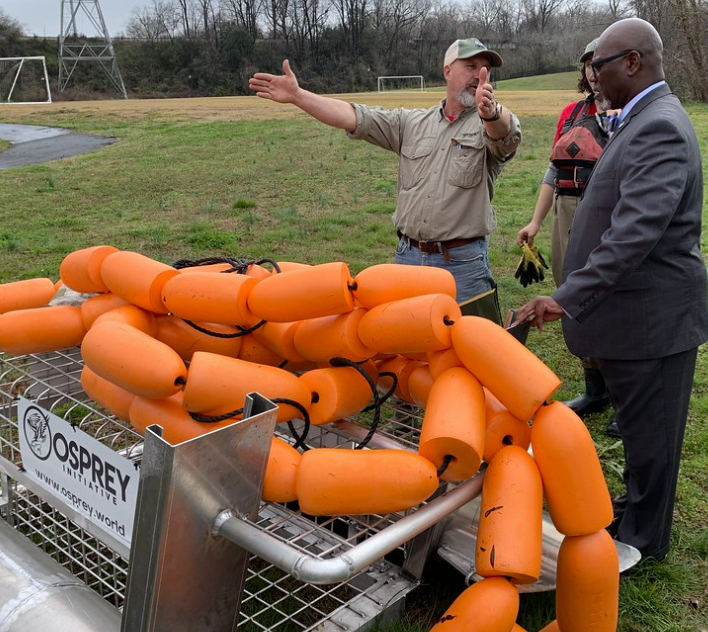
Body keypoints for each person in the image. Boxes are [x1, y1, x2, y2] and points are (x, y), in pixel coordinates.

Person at [514, 18, 708, 562]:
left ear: (632, 63)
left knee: (652, 442)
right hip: (632, 320)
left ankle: (644, 545)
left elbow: (633, 235)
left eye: (599, 65)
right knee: (644, 438)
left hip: (652, 321)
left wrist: (565, 296)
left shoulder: (660, 125)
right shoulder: (639, 117)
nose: (592, 76)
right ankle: (636, 511)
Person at [249, 39, 522, 306]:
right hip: (409, 258)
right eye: (471, 66)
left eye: (485, 69)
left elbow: (504, 133)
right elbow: (354, 116)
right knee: (408, 345)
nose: (479, 76)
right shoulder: (411, 123)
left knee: (469, 346)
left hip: (462, 264)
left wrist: (491, 113)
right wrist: (298, 96)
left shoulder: (489, 122)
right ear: (447, 71)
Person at [517, 39, 617, 428]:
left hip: (606, 214)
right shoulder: (571, 114)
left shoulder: (628, 114)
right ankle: (596, 389)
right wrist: (536, 222)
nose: (594, 71)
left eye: (600, 63)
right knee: (570, 293)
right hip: (565, 211)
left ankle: (623, 395)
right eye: (589, 64)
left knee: (607, 300)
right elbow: (553, 172)